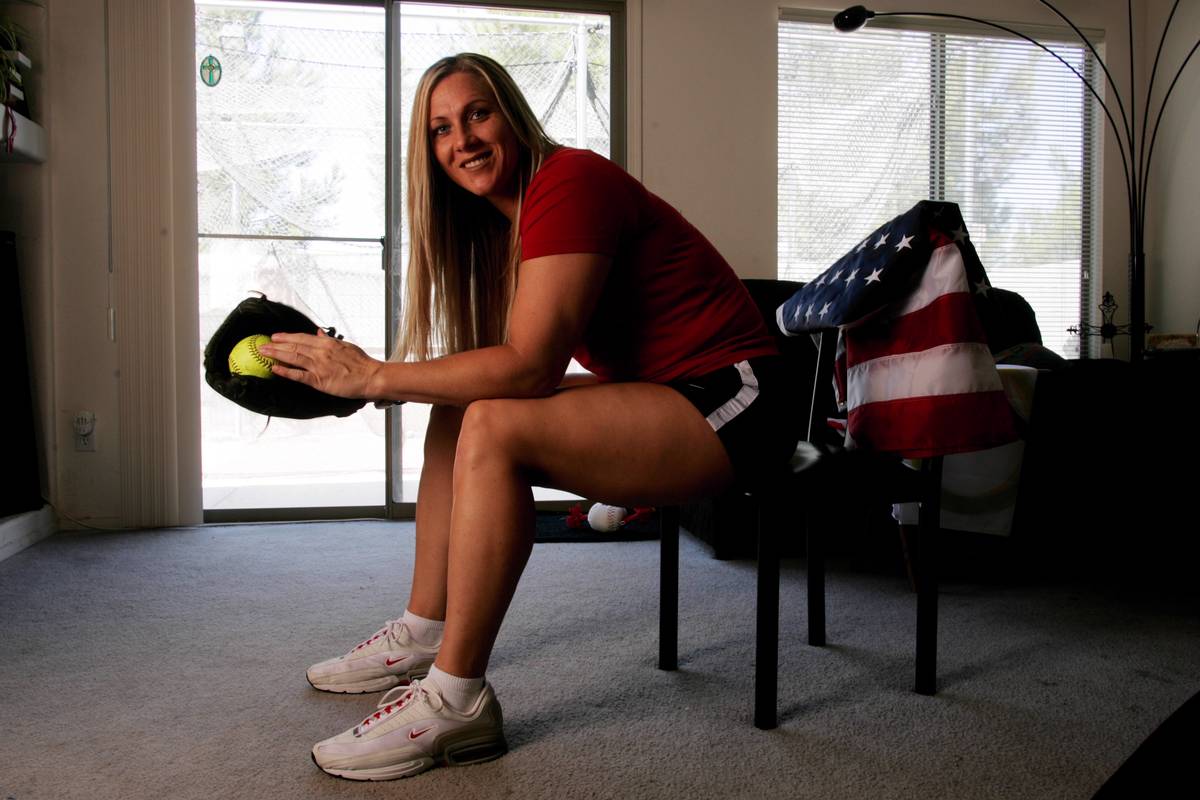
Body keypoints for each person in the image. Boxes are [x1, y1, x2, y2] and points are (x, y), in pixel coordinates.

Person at [257, 52, 802, 781]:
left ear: (511, 112)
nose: (464, 140)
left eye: (477, 113)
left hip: (739, 402)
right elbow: (498, 365)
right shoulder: (503, 223)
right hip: (668, 393)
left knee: (493, 422)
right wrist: (380, 379)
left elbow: (530, 368)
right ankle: (423, 631)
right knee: (461, 411)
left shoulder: (569, 181)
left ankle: (455, 701)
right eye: (441, 129)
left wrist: (375, 378)